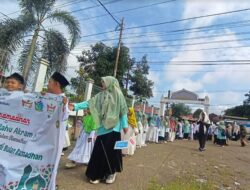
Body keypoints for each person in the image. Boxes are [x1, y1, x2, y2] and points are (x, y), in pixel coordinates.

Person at [70, 76, 128, 184]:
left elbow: (123, 111)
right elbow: (89, 103)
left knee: (112, 153)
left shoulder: (119, 95)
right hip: (102, 128)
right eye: (102, 82)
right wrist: (76, 106)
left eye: (104, 82)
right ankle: (96, 174)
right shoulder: (100, 95)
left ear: (110, 83)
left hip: (114, 128)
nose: (102, 85)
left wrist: (125, 125)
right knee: (99, 152)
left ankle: (111, 173)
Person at [47, 71, 70, 189]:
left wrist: (65, 105)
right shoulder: (46, 97)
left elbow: (65, 115)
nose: (47, 84)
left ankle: (51, 186)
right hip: (42, 137)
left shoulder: (63, 100)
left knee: (50, 164)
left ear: (56, 84)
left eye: (49, 82)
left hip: (53, 140)